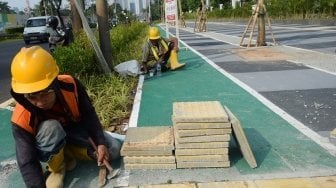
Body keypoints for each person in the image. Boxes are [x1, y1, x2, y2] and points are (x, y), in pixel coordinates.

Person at [10, 46, 121, 188]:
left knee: (113, 149)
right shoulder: (21, 118)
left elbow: (88, 113)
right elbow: (27, 161)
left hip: (74, 132)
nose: (40, 102)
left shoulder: (70, 85)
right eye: (32, 97)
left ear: (54, 82)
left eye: (45, 93)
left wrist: (100, 142)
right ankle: (57, 167)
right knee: (52, 127)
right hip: (48, 145)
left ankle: (69, 152)